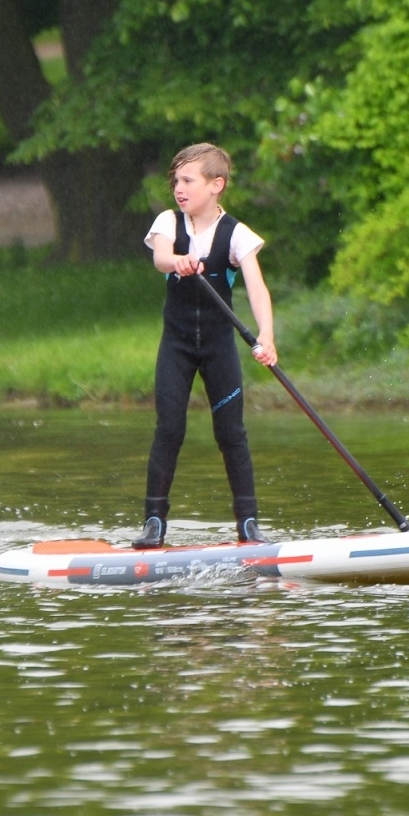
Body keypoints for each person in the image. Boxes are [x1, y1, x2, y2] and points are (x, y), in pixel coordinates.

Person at [134, 143, 278, 549]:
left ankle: (248, 524)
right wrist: (177, 261)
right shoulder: (168, 222)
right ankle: (153, 524)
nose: (179, 188)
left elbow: (257, 289)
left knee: (231, 432)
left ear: (216, 185)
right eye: (175, 180)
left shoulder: (237, 234)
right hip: (176, 346)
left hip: (218, 348)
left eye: (188, 181)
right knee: (170, 428)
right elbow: (161, 258)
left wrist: (266, 335)